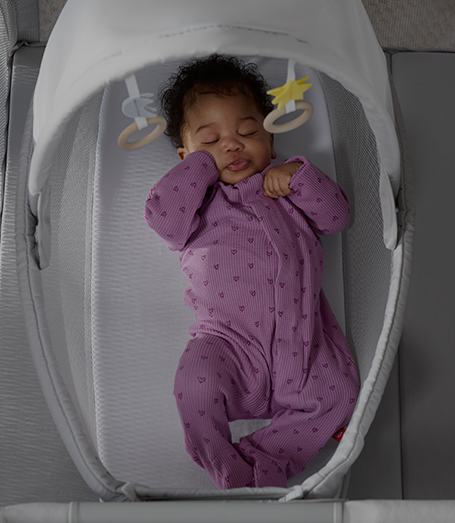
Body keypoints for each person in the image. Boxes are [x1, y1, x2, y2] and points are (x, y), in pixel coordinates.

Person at [144, 55, 357, 488]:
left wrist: (299, 174)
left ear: (271, 139)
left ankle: (262, 462)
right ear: (186, 159)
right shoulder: (195, 209)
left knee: (340, 395)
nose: (232, 145)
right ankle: (228, 472)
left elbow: (337, 218)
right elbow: (160, 217)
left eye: (247, 132)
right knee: (193, 386)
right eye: (211, 140)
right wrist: (202, 167)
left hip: (303, 344)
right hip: (226, 344)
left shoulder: (287, 191)